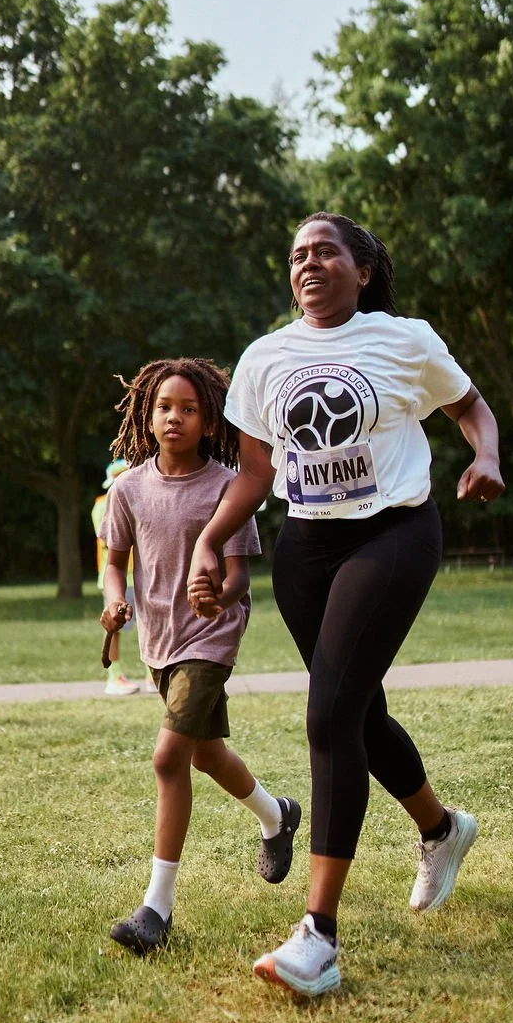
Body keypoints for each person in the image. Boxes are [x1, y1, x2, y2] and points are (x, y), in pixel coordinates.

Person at [188, 212, 505, 996]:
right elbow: (256, 476)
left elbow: (471, 407)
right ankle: (441, 828)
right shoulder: (265, 357)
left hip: (393, 531)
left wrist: (486, 453)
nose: (309, 263)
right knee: (356, 711)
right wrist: (214, 543)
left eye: (325, 251)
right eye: (297, 254)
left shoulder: (405, 339)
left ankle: (318, 939)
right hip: (306, 547)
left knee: (328, 712)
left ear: (362, 270)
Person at [99, 357, 302, 955]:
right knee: (208, 754)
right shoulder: (129, 489)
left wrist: (220, 595)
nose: (175, 418)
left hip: (210, 640)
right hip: (158, 643)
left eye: (189, 409)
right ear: (148, 414)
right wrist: (114, 605)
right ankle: (276, 816)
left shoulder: (224, 488)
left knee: (169, 759)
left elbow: (241, 575)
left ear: (211, 421)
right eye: (165, 407)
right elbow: (115, 565)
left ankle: (155, 910)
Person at [92, 459, 141, 696]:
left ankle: (153, 675)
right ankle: (114, 676)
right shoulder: (106, 503)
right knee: (117, 627)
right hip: (121, 577)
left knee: (146, 627)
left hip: (138, 575)